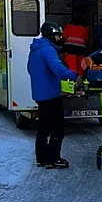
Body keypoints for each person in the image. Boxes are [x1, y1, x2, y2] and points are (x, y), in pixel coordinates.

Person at [27, 21, 83, 169]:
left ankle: (41, 159)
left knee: (44, 128)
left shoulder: (35, 50)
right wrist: (75, 76)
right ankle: (53, 159)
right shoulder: (48, 50)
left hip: (39, 95)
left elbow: (30, 70)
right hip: (51, 96)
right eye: (58, 36)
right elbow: (58, 69)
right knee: (58, 128)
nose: (59, 39)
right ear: (51, 35)